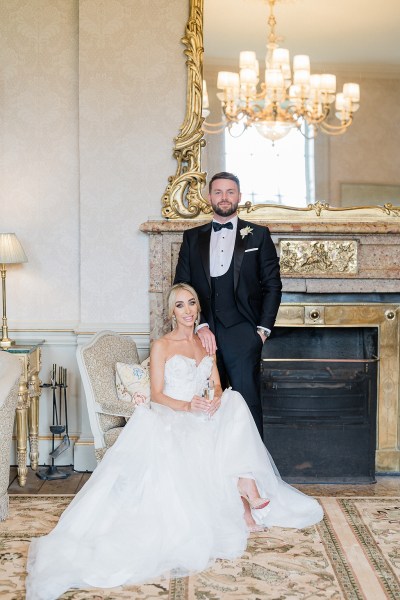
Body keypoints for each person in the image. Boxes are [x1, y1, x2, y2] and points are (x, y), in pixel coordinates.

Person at [25, 284, 322, 600]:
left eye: (192, 303)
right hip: (174, 414)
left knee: (234, 401)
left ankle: (244, 485)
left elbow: (218, 385)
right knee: (214, 428)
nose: (188, 310)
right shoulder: (161, 345)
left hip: (202, 412)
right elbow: (156, 395)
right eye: (180, 305)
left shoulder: (205, 342)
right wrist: (189, 406)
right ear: (172, 313)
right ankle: (243, 493)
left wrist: (213, 401)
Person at [174, 172, 282, 437]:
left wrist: (262, 332)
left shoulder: (258, 235)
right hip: (204, 334)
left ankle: (250, 474)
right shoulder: (191, 237)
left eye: (230, 192)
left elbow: (272, 285)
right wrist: (200, 325)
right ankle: (214, 473)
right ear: (209, 197)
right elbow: (182, 285)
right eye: (219, 192)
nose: (224, 197)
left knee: (246, 406)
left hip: (244, 333)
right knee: (206, 404)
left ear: (239, 197)